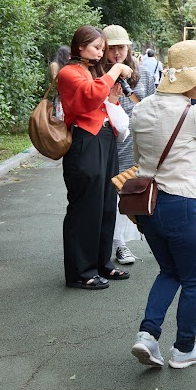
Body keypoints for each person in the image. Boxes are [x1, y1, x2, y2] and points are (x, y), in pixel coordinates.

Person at [129, 39, 196, 369]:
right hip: (183, 204)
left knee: (169, 271)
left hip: (148, 206)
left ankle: (147, 335)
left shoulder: (141, 109)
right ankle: (184, 348)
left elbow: (139, 159)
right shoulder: (191, 113)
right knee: (195, 279)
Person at [58, 25, 133, 289]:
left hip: (104, 138)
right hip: (85, 141)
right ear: (81, 46)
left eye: (103, 48)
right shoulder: (68, 72)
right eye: (97, 48)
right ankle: (81, 272)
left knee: (106, 205)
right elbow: (90, 97)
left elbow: (100, 102)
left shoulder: (90, 71)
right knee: (85, 208)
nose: (102, 53)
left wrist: (112, 98)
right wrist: (115, 70)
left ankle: (101, 263)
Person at [102, 24, 155, 265]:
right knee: (112, 191)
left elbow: (153, 104)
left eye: (121, 48)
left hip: (138, 140)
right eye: (111, 48)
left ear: (128, 48)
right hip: (109, 140)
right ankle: (115, 243)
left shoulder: (143, 73)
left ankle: (130, 241)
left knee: (134, 189)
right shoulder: (100, 75)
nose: (116, 53)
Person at [49, 45, 71, 120]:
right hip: (60, 95)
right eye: (68, 55)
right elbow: (55, 80)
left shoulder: (67, 65)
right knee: (61, 118)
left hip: (69, 94)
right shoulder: (55, 65)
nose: (69, 57)